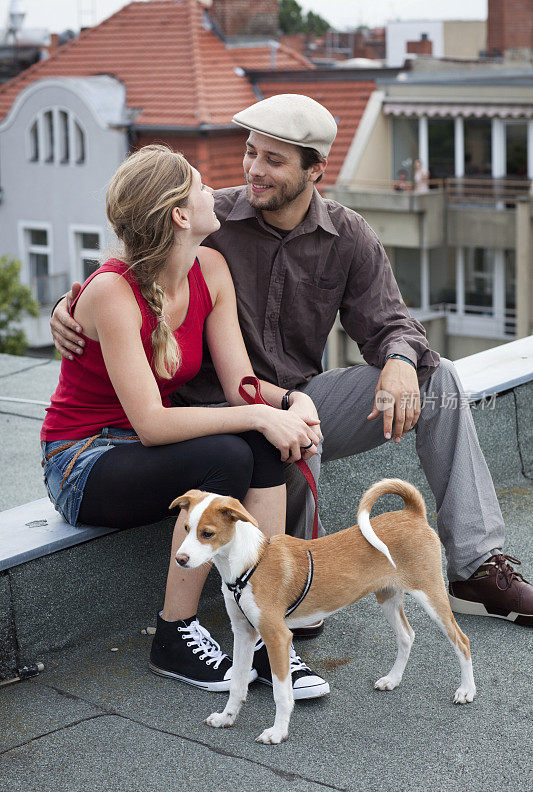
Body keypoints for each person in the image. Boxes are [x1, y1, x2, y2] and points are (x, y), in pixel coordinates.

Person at [51, 95, 533, 630]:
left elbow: (392, 323)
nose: (255, 171)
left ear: (316, 169)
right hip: (205, 414)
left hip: (287, 392)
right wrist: (66, 307)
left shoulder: (348, 236)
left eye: (274, 161)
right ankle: (295, 587)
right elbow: (132, 264)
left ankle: (476, 567)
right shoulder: (213, 222)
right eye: (251, 153)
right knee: (278, 434)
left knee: (438, 380)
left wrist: (399, 358)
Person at [42, 143, 331, 699]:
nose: (211, 192)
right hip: (84, 459)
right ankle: (174, 635)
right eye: (200, 187)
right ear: (179, 214)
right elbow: (150, 423)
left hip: (143, 450)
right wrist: (255, 416)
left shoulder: (210, 270)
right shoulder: (111, 291)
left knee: (260, 440)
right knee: (226, 453)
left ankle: (264, 620)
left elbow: (239, 386)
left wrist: (292, 402)